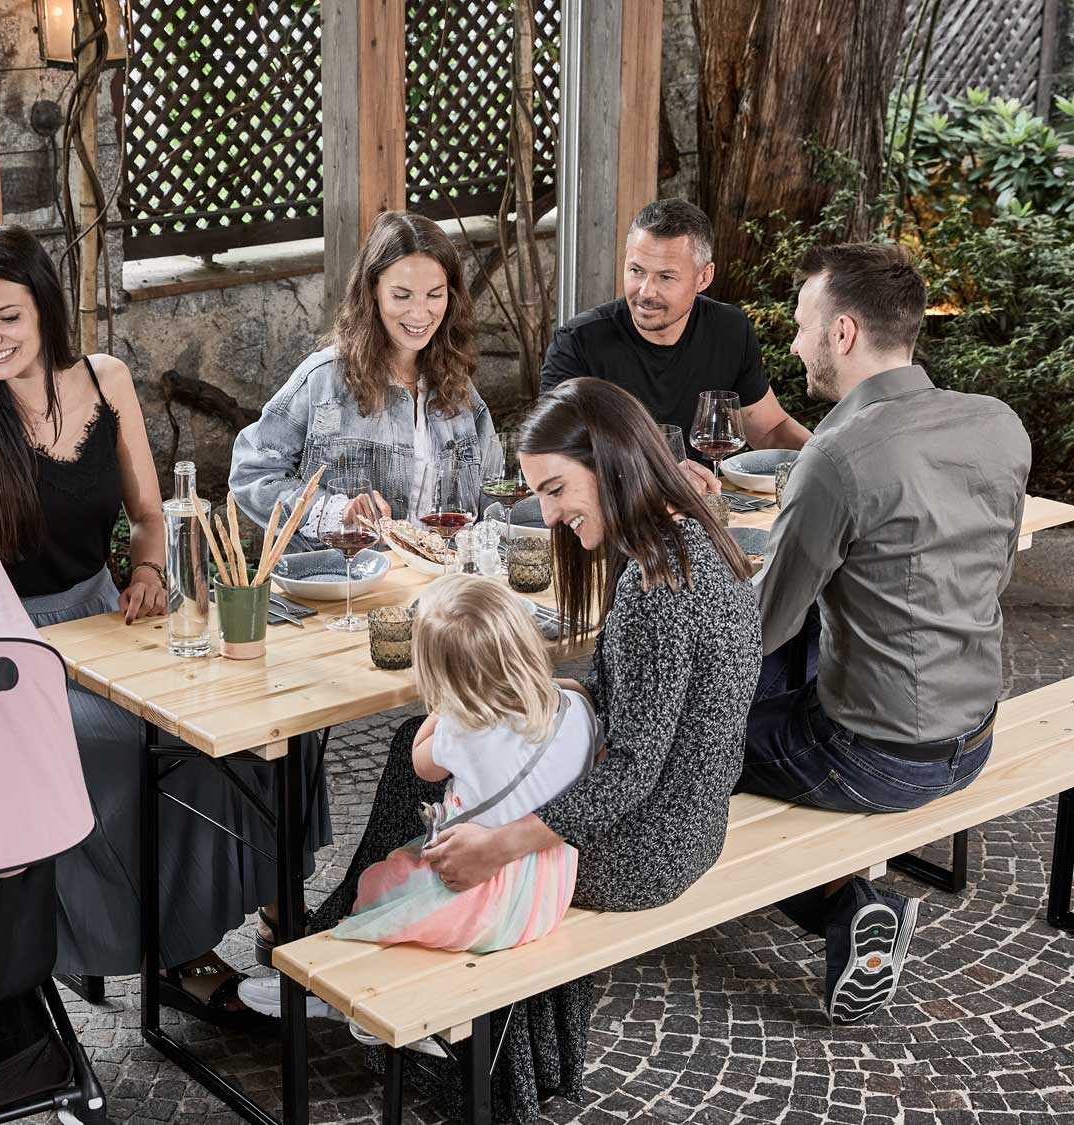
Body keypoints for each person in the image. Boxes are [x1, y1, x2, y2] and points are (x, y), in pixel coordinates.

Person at [240, 378, 762, 1120]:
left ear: (610, 459)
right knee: (449, 745)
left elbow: (631, 774)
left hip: (644, 849)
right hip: (692, 820)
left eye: (556, 490)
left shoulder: (656, 585)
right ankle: (341, 936)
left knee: (422, 756)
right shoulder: (696, 536)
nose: (547, 515)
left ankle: (353, 948)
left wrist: (498, 848)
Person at [0, 223, 328, 1030]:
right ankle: (173, 952)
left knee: (261, 724)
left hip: (112, 614)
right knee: (128, 748)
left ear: (45, 309)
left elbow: (149, 515)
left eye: (7, 317)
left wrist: (145, 571)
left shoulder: (104, 382)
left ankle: (285, 922)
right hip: (17, 647)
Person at [743, 243, 1032, 1025]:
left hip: (875, 758)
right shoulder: (999, 426)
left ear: (842, 333)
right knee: (804, 655)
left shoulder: (836, 456)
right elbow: (990, 571)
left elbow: (763, 625)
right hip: (974, 735)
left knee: (698, 740)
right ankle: (847, 905)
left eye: (803, 327)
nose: (795, 345)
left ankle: (841, 905)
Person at [331, 574, 600, 954]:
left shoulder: (464, 730)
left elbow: (421, 762)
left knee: (379, 882)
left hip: (487, 896)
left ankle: (338, 970)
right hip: (548, 887)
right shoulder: (576, 709)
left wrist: (445, 706)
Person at [230, 210, 502, 543]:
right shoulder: (323, 380)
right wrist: (333, 511)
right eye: (402, 295)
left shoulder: (457, 386)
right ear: (373, 290)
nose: (420, 313)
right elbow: (251, 473)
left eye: (434, 295)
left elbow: (495, 496)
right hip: (348, 583)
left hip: (441, 585)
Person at [538, 198, 811, 472]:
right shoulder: (577, 341)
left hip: (706, 502)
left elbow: (770, 430)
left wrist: (830, 459)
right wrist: (663, 485)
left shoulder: (730, 329)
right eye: (636, 271)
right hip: (613, 508)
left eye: (666, 277)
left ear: (703, 278)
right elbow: (550, 453)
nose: (646, 291)